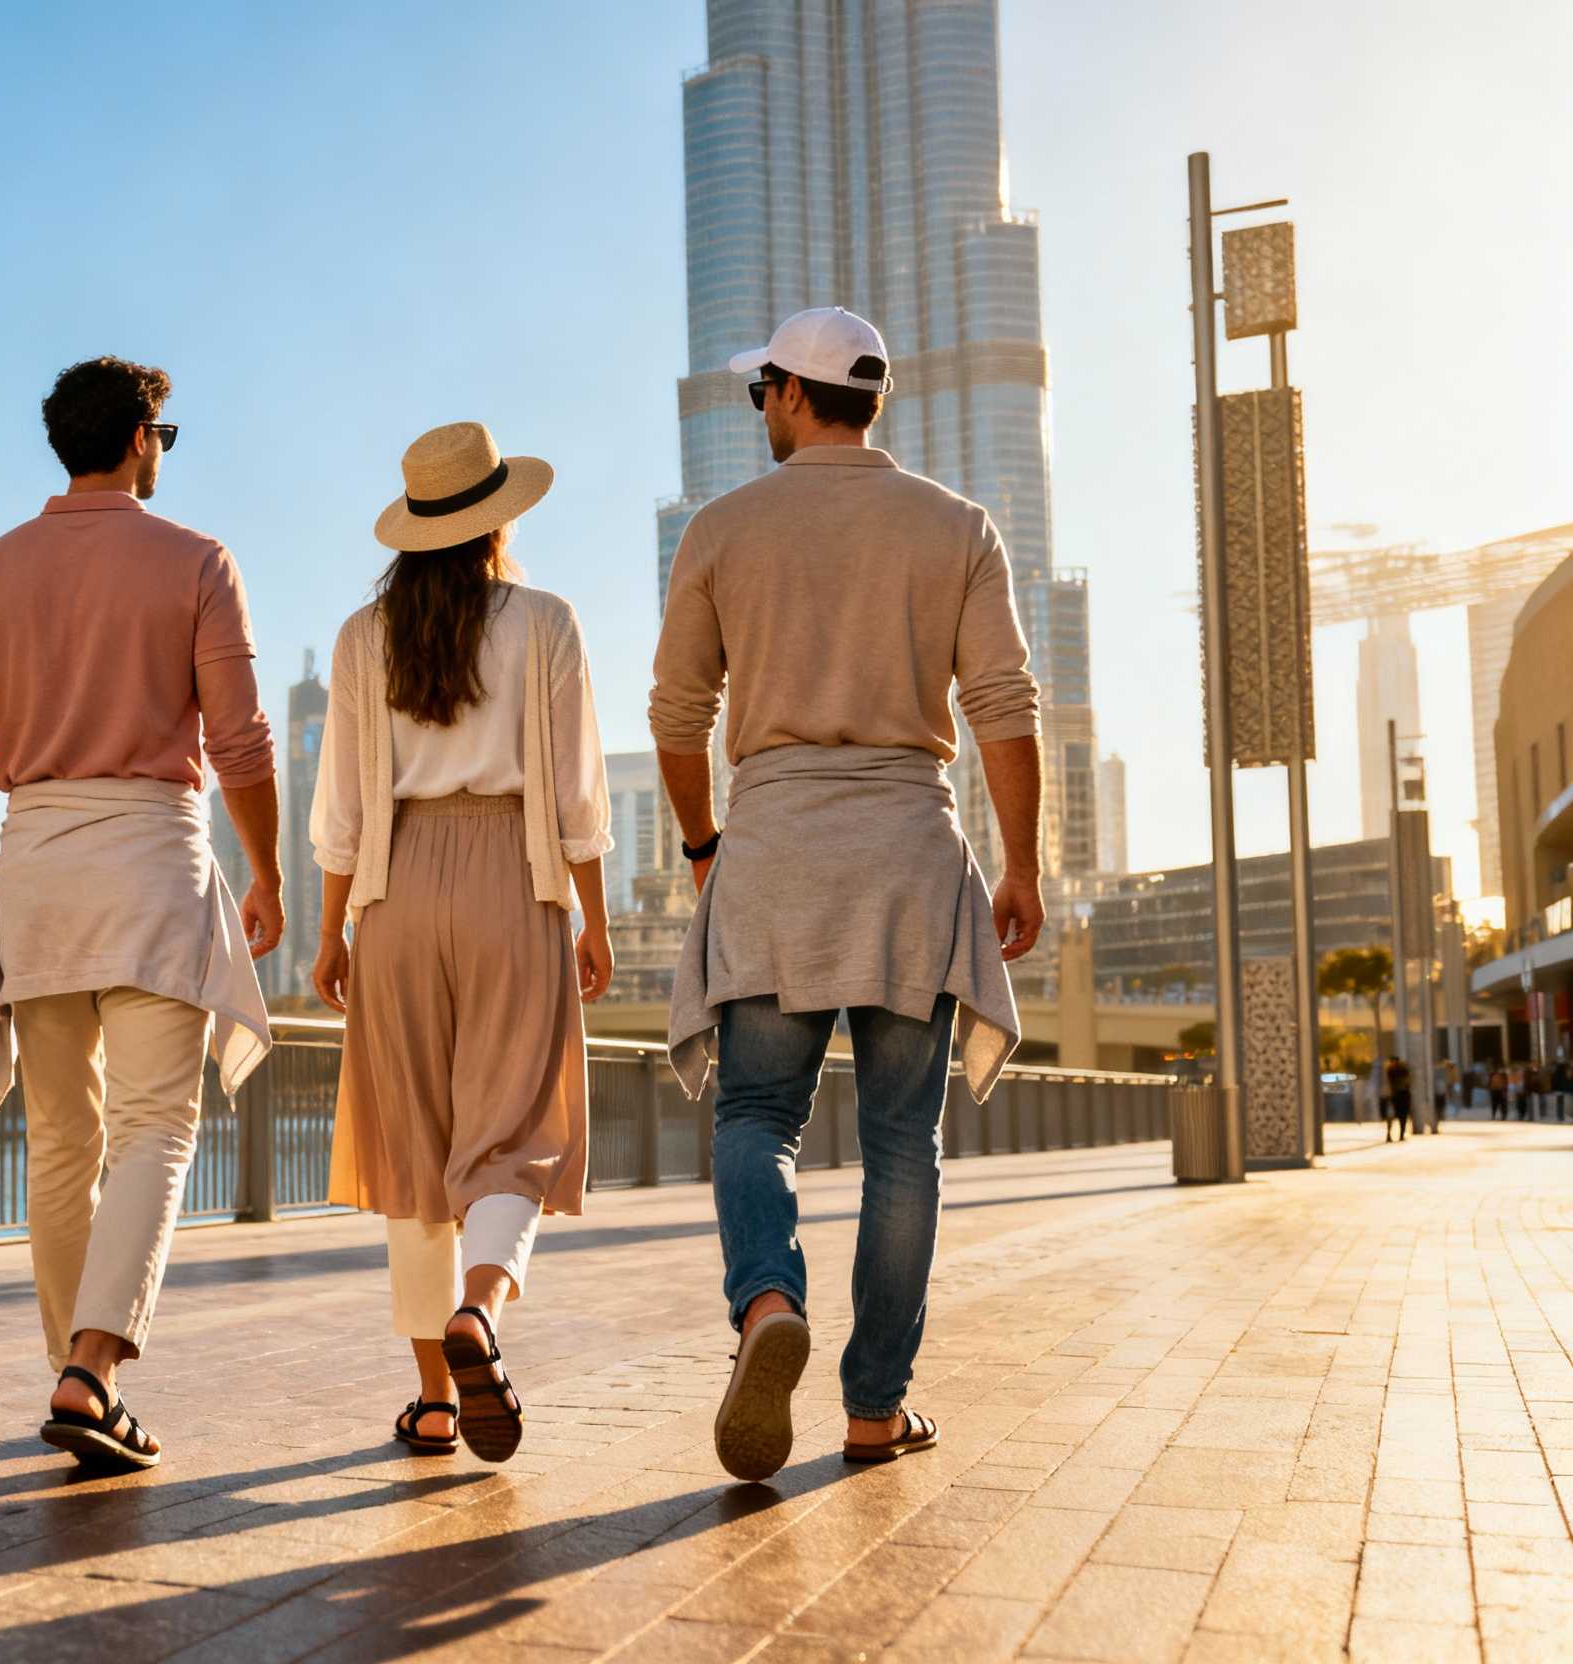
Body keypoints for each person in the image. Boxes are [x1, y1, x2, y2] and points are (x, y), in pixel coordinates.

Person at [649, 306, 1042, 1482]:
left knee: (758, 1116)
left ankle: (768, 1300)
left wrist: (705, 845)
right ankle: (873, 1409)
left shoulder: (722, 528)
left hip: (773, 852)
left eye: (756, 391)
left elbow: (676, 717)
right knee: (899, 1143)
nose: (754, 409)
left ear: (785, 392)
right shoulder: (955, 526)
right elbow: (1004, 706)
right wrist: (1021, 862)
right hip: (909, 857)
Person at [0, 356, 281, 1472]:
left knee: (59, 1136)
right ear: (140, 438)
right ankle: (92, 1367)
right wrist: (267, 870)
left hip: (32, 864)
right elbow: (240, 743)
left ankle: (71, 1368)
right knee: (152, 1128)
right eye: (164, 435)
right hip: (150, 861)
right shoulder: (195, 561)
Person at [308, 422, 614, 1464]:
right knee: (514, 1125)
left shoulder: (361, 636)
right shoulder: (545, 621)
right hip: (512, 876)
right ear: (498, 517)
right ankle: (481, 1308)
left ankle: (435, 1400)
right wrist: (594, 917)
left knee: (415, 1146)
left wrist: (332, 929)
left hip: (391, 892)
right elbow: (576, 795)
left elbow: (343, 808)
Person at [1383, 1053, 1412, 1141]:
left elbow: (1408, 1083)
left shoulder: (1397, 1070)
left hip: (1400, 1096)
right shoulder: (1391, 1071)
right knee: (1393, 1116)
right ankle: (1390, 1135)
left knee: (1401, 1117)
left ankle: (1400, 1135)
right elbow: (1408, 1082)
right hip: (1396, 1096)